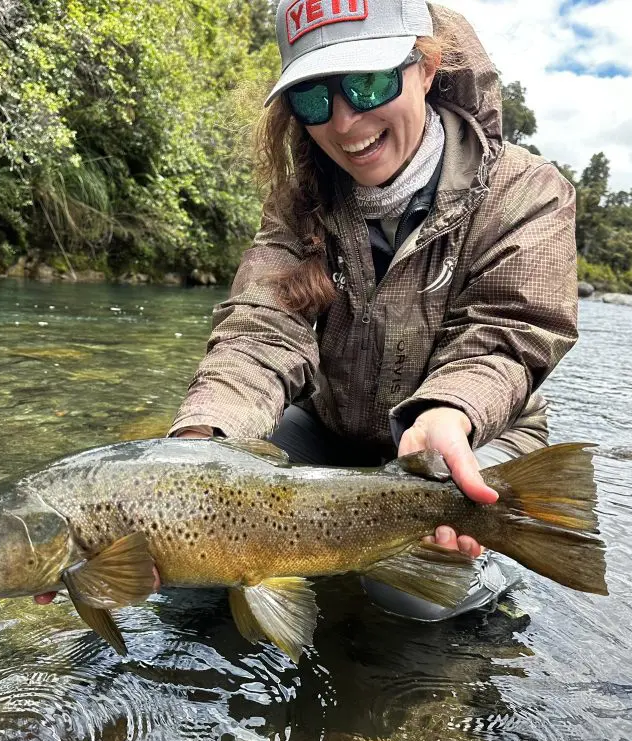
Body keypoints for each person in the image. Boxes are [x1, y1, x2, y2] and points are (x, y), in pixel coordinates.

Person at [169, 0, 578, 620]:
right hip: (329, 432)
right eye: (312, 99)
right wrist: (196, 446)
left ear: (428, 66)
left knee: (412, 596)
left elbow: (507, 335)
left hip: (473, 431)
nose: (344, 122)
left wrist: (450, 412)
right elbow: (259, 335)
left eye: (367, 81)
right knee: (186, 549)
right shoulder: (298, 203)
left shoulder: (526, 191)